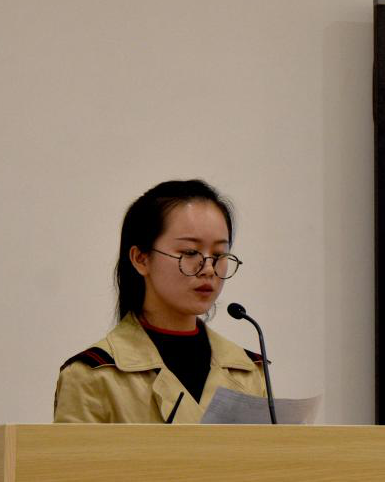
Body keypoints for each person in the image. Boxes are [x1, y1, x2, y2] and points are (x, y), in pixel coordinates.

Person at [54, 180, 266, 423]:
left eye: (218, 254)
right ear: (141, 259)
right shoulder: (92, 375)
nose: (208, 268)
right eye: (190, 252)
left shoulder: (250, 372)